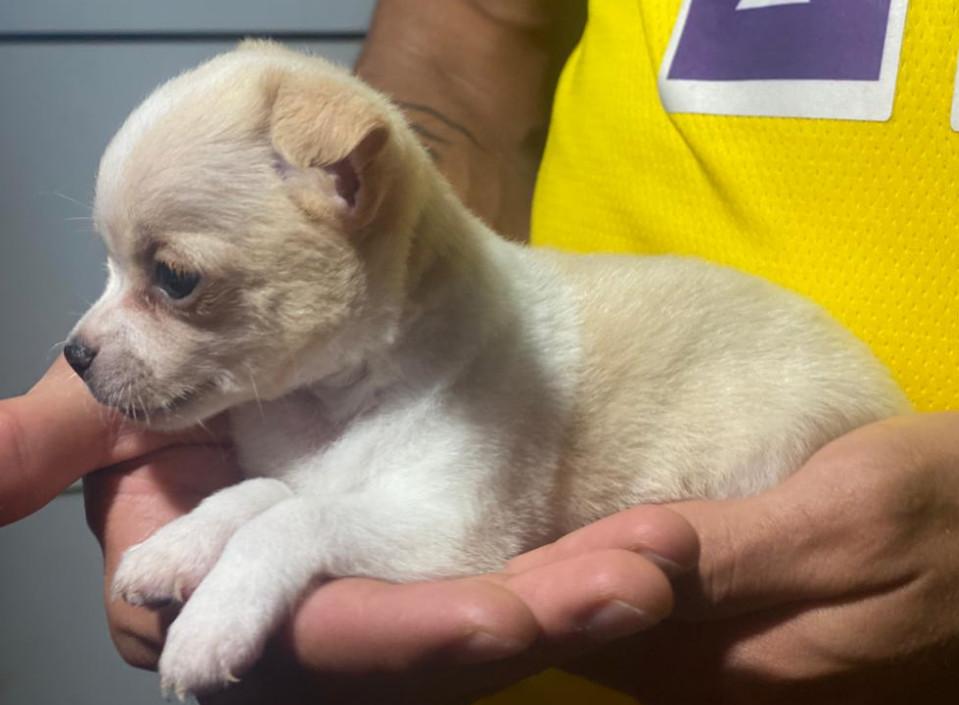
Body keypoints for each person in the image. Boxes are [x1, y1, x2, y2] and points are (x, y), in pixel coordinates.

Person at [2, 0, 958, 702]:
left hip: (835, 467)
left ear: (345, 185)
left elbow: (444, 532)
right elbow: (471, 25)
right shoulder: (336, 364)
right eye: (118, 268)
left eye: (172, 278)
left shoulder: (485, 358)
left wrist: (277, 542)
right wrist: (234, 509)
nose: (91, 337)